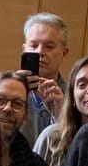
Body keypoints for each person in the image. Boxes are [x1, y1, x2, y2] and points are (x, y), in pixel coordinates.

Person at [19, 12, 71, 141]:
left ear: (64, 53)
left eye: (49, 46)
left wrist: (62, 114)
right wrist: (12, 89)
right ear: (24, 49)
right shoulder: (5, 92)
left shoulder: (73, 97)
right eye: (34, 45)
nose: (40, 52)